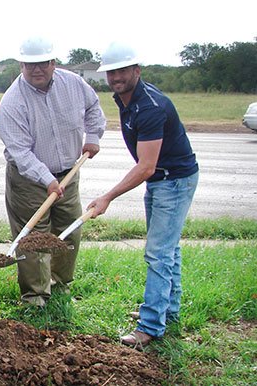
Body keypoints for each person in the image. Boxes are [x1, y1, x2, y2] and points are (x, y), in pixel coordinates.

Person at [88, 42, 199, 348]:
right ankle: (166, 311)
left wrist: (107, 196)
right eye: (111, 72)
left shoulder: (149, 106)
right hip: (163, 180)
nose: (116, 77)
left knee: (158, 253)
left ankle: (149, 326)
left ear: (136, 70)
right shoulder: (127, 99)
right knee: (168, 250)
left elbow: (146, 166)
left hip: (173, 181)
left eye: (122, 70)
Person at [0, 36, 106, 308]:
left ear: (53, 63)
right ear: (21, 65)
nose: (37, 70)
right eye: (30, 64)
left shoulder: (73, 84)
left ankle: (60, 284)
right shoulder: (12, 102)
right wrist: (47, 180)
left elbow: (94, 108)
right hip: (29, 179)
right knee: (34, 239)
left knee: (69, 230)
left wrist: (93, 136)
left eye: (43, 63)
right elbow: (20, 152)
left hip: (69, 173)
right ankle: (35, 296)